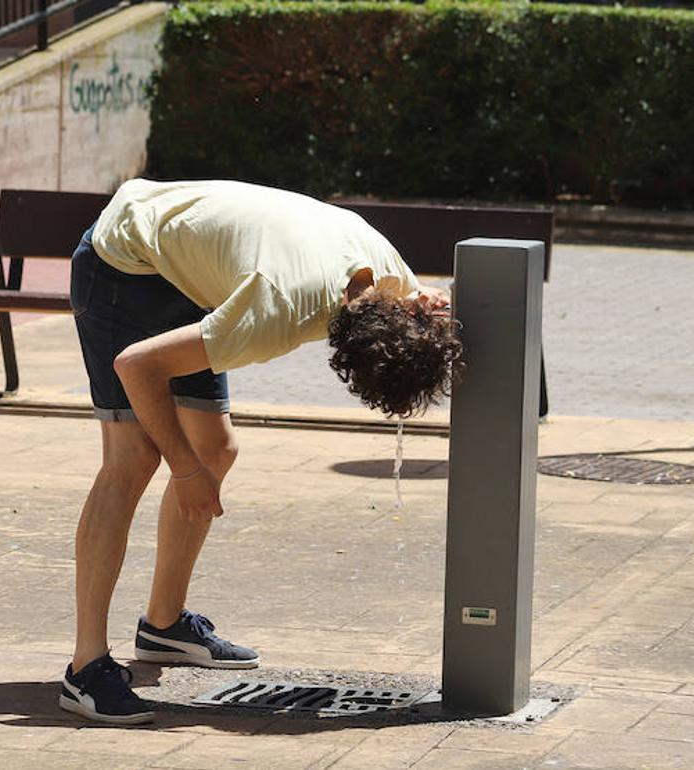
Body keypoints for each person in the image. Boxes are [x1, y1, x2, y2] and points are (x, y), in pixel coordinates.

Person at [58, 178, 462, 724]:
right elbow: (137, 365)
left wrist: (432, 309)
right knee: (134, 458)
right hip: (123, 262)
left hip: (191, 266)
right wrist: (183, 471)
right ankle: (85, 669)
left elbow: (420, 315)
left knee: (216, 449)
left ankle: (163, 626)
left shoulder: (389, 279)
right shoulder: (279, 310)